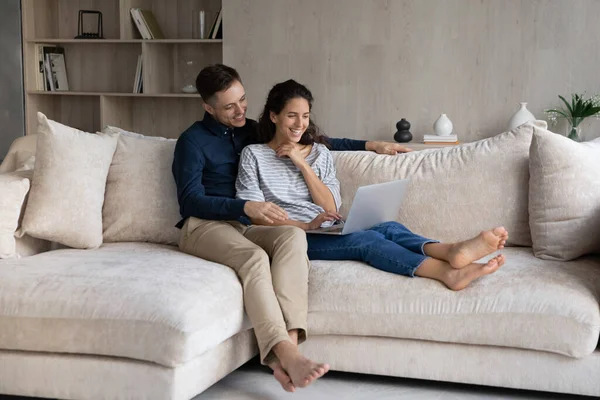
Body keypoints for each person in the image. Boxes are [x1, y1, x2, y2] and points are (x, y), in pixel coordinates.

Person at [171, 64, 412, 393]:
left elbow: (313, 139)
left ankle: (293, 340)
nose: (240, 110)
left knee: (292, 235)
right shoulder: (191, 141)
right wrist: (242, 206)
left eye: (242, 100)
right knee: (255, 260)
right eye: (229, 106)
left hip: (247, 222)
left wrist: (371, 145)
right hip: (205, 225)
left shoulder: (249, 129)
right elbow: (189, 201)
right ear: (208, 107)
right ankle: (282, 355)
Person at [235, 79, 509, 294]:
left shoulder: (319, 153)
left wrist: (302, 163)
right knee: (366, 241)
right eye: (291, 116)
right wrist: (305, 225)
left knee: (387, 227)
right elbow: (255, 216)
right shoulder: (254, 155)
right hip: (292, 237)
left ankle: (451, 251)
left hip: (325, 227)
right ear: (273, 117)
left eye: (305, 116)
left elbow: (329, 207)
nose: (299, 124)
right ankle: (447, 272)